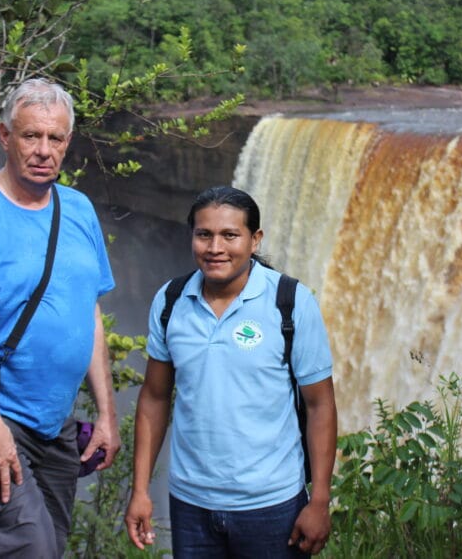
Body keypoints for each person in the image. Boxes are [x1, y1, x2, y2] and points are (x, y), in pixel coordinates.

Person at [0, 78, 120, 558]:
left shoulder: (78, 210)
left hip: (56, 426)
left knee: (51, 544)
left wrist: (107, 414)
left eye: (55, 138)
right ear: (6, 136)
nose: (43, 150)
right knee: (32, 547)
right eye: (31, 136)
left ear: (68, 143)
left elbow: (89, 314)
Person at [125, 186, 338, 558]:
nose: (215, 248)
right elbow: (155, 398)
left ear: (255, 240)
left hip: (272, 504)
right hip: (191, 504)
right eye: (204, 234)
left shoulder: (291, 303)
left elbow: (320, 405)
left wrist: (319, 500)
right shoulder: (171, 301)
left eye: (229, 235)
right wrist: (140, 490)